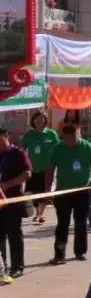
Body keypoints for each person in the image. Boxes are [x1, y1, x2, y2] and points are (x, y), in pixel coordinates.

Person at [46, 124, 91, 264]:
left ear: (79, 134)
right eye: (67, 138)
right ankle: (59, 255)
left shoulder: (87, 147)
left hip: (82, 192)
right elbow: (50, 169)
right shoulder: (57, 148)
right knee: (62, 223)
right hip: (63, 191)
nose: (70, 141)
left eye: (73, 137)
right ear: (63, 136)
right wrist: (48, 188)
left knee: (81, 223)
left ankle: (80, 252)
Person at [0, 128, 30, 277]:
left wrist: (9, 184)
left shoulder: (17, 153)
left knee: (14, 234)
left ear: (6, 136)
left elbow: (27, 173)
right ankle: (2, 267)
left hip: (13, 200)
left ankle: (17, 267)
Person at [19, 111, 59, 225]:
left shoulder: (51, 134)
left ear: (45, 121)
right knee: (33, 191)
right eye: (37, 120)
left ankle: (40, 214)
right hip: (33, 169)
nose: (40, 122)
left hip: (47, 169)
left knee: (44, 191)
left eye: (42, 119)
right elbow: (21, 149)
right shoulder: (29, 134)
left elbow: (58, 148)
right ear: (33, 121)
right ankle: (37, 212)